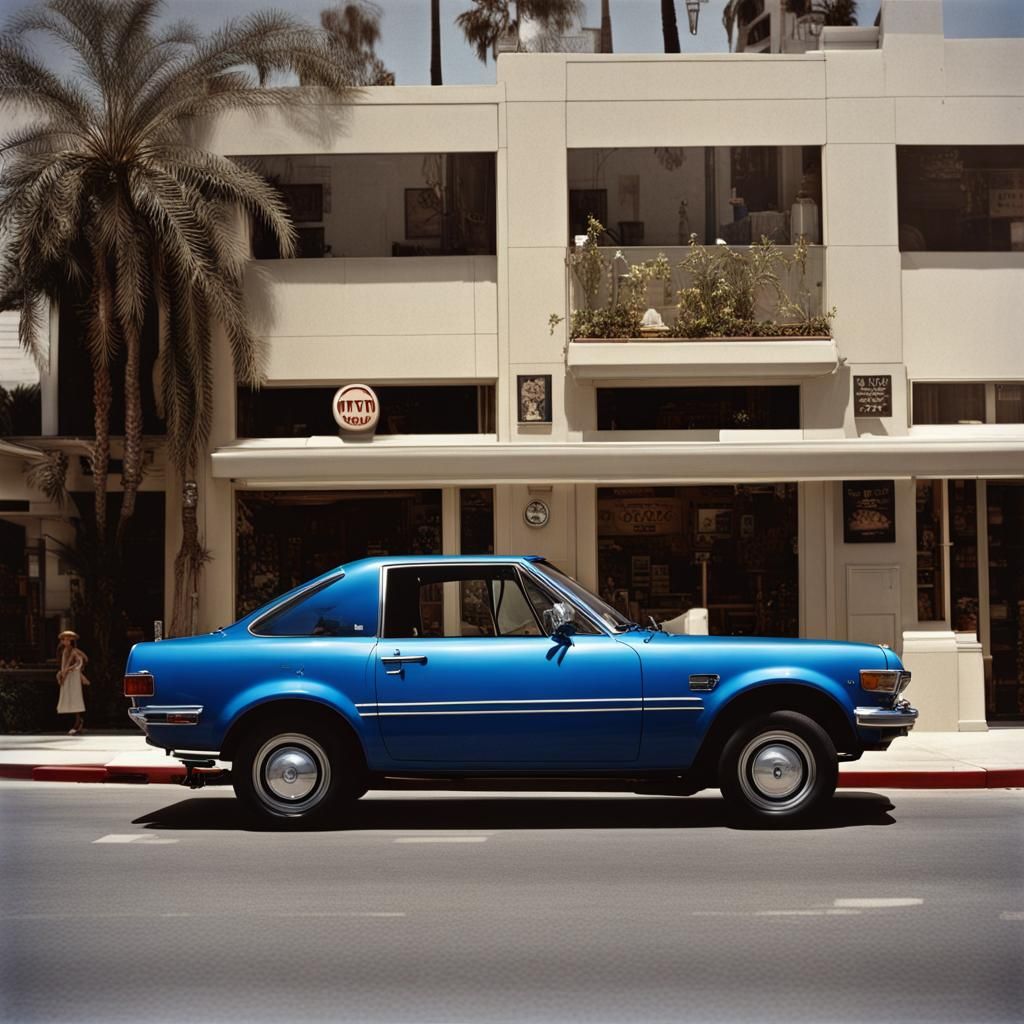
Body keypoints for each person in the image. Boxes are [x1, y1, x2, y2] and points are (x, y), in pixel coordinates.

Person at [55, 630, 89, 735]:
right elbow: (64, 664)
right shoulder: (64, 650)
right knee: (69, 698)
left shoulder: (74, 651)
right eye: (64, 639)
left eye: (68, 640)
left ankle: (77, 723)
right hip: (67, 676)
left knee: (75, 697)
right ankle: (76, 723)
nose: (66, 641)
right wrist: (62, 672)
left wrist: (69, 669)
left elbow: (81, 661)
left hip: (73, 676)